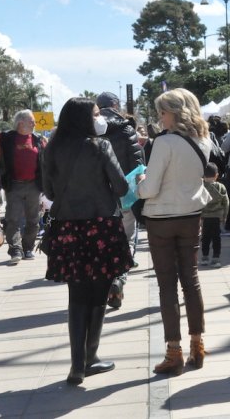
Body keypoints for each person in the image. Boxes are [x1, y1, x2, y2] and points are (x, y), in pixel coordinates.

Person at [42, 98, 132, 385]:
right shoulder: (100, 146)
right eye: (95, 114)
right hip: (102, 225)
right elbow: (120, 186)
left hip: (69, 228)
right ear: (84, 119)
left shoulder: (52, 148)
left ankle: (77, 365)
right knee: (99, 294)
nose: (100, 119)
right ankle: (90, 357)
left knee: (76, 296)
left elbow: (48, 191)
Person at [136, 88, 212, 376]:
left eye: (162, 112)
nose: (160, 118)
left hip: (162, 218)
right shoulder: (203, 140)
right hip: (192, 215)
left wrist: (141, 181)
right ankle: (198, 343)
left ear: (175, 112)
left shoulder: (164, 142)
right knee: (191, 280)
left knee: (167, 285)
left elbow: (150, 188)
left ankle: (173, 351)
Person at [96, 91, 144, 308]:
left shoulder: (91, 129)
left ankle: (106, 282)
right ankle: (119, 278)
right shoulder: (126, 128)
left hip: (97, 195)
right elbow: (137, 162)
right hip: (124, 192)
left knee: (103, 242)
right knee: (125, 237)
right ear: (116, 105)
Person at [0, 110, 44, 264]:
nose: (34, 123)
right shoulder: (6, 138)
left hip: (34, 186)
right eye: (31, 121)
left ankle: (28, 248)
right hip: (14, 185)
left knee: (33, 220)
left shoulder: (37, 139)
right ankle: (15, 250)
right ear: (20, 123)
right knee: (13, 219)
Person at [200, 162, 229, 268]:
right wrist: (225, 216)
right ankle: (216, 258)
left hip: (204, 217)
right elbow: (226, 202)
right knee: (216, 238)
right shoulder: (221, 187)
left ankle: (205, 257)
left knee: (205, 238)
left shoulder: (201, 187)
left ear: (203, 175)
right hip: (217, 216)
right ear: (216, 175)